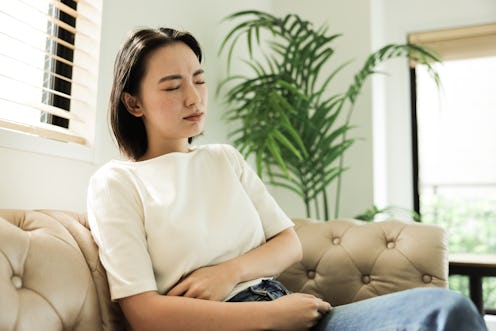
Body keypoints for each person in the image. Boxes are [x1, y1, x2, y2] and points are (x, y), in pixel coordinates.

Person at [87, 27, 487, 331]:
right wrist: (267, 317)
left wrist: (228, 272)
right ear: (133, 102)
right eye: (173, 86)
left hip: (288, 307)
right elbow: (144, 314)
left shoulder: (224, 158)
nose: (194, 98)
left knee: (445, 308)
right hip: (246, 321)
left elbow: (288, 243)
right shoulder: (117, 182)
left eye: (199, 79)